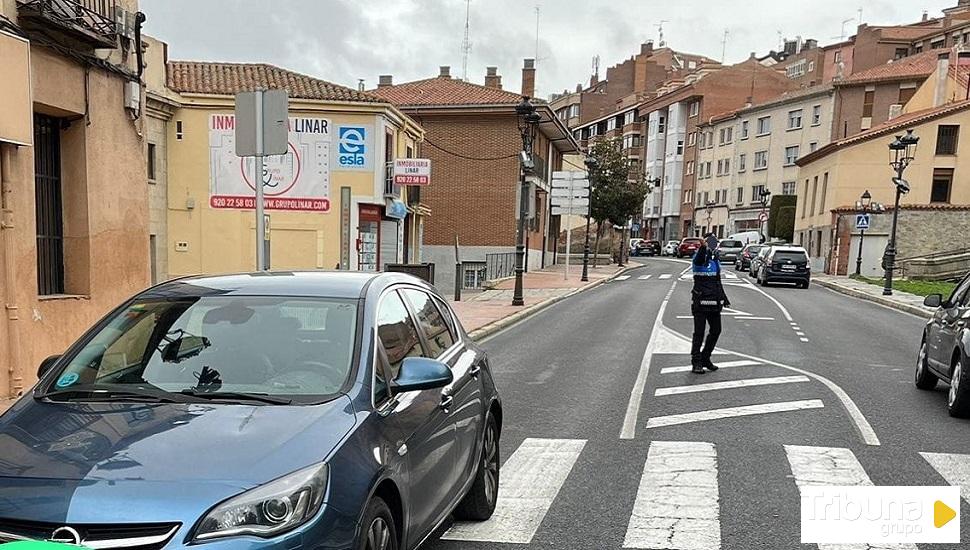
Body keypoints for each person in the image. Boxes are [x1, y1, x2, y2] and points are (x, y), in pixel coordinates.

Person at [690, 233, 730, 374]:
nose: (713, 244)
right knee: (699, 333)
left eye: (714, 242)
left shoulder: (715, 260)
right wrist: (703, 248)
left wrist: (724, 298)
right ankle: (696, 362)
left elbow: (718, 281)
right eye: (710, 242)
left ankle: (705, 357)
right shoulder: (698, 257)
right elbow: (700, 260)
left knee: (716, 330)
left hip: (714, 301)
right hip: (700, 301)